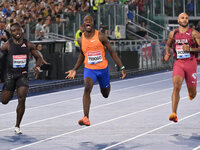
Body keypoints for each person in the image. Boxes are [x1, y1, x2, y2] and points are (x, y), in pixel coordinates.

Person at [65, 15, 126, 126]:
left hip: (103, 70)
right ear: (83, 24)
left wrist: (121, 67)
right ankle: (86, 117)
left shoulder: (101, 37)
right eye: (86, 20)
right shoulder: (80, 39)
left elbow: (112, 52)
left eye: (90, 21)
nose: (88, 22)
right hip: (90, 69)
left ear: (93, 23)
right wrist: (74, 69)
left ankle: (106, 85)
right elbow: (82, 55)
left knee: (105, 94)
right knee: (87, 87)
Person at [0, 23, 42, 134]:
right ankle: (9, 90)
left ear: (22, 31)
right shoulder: (7, 45)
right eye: (14, 31)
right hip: (10, 76)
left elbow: (38, 58)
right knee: (4, 101)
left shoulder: (28, 44)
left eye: (19, 30)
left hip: (22, 75)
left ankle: (17, 126)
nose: (17, 32)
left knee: (22, 99)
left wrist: (37, 67)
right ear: (11, 33)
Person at [164, 12, 200, 123]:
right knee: (176, 86)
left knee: (193, 94)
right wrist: (167, 53)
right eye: (182, 18)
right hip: (178, 63)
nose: (184, 19)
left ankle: (191, 93)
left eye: (186, 18)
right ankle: (174, 113)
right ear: (178, 20)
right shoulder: (173, 34)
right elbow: (168, 45)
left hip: (191, 63)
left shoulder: (194, 33)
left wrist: (190, 50)